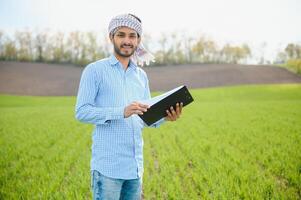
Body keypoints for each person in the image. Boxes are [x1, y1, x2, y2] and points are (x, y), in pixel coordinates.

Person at [75, 13, 183, 200]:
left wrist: (165, 117)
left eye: (132, 36)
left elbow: (145, 118)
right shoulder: (95, 71)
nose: (127, 40)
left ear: (139, 40)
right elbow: (82, 112)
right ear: (111, 37)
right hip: (108, 168)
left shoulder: (141, 76)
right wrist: (122, 111)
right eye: (121, 35)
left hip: (134, 169)